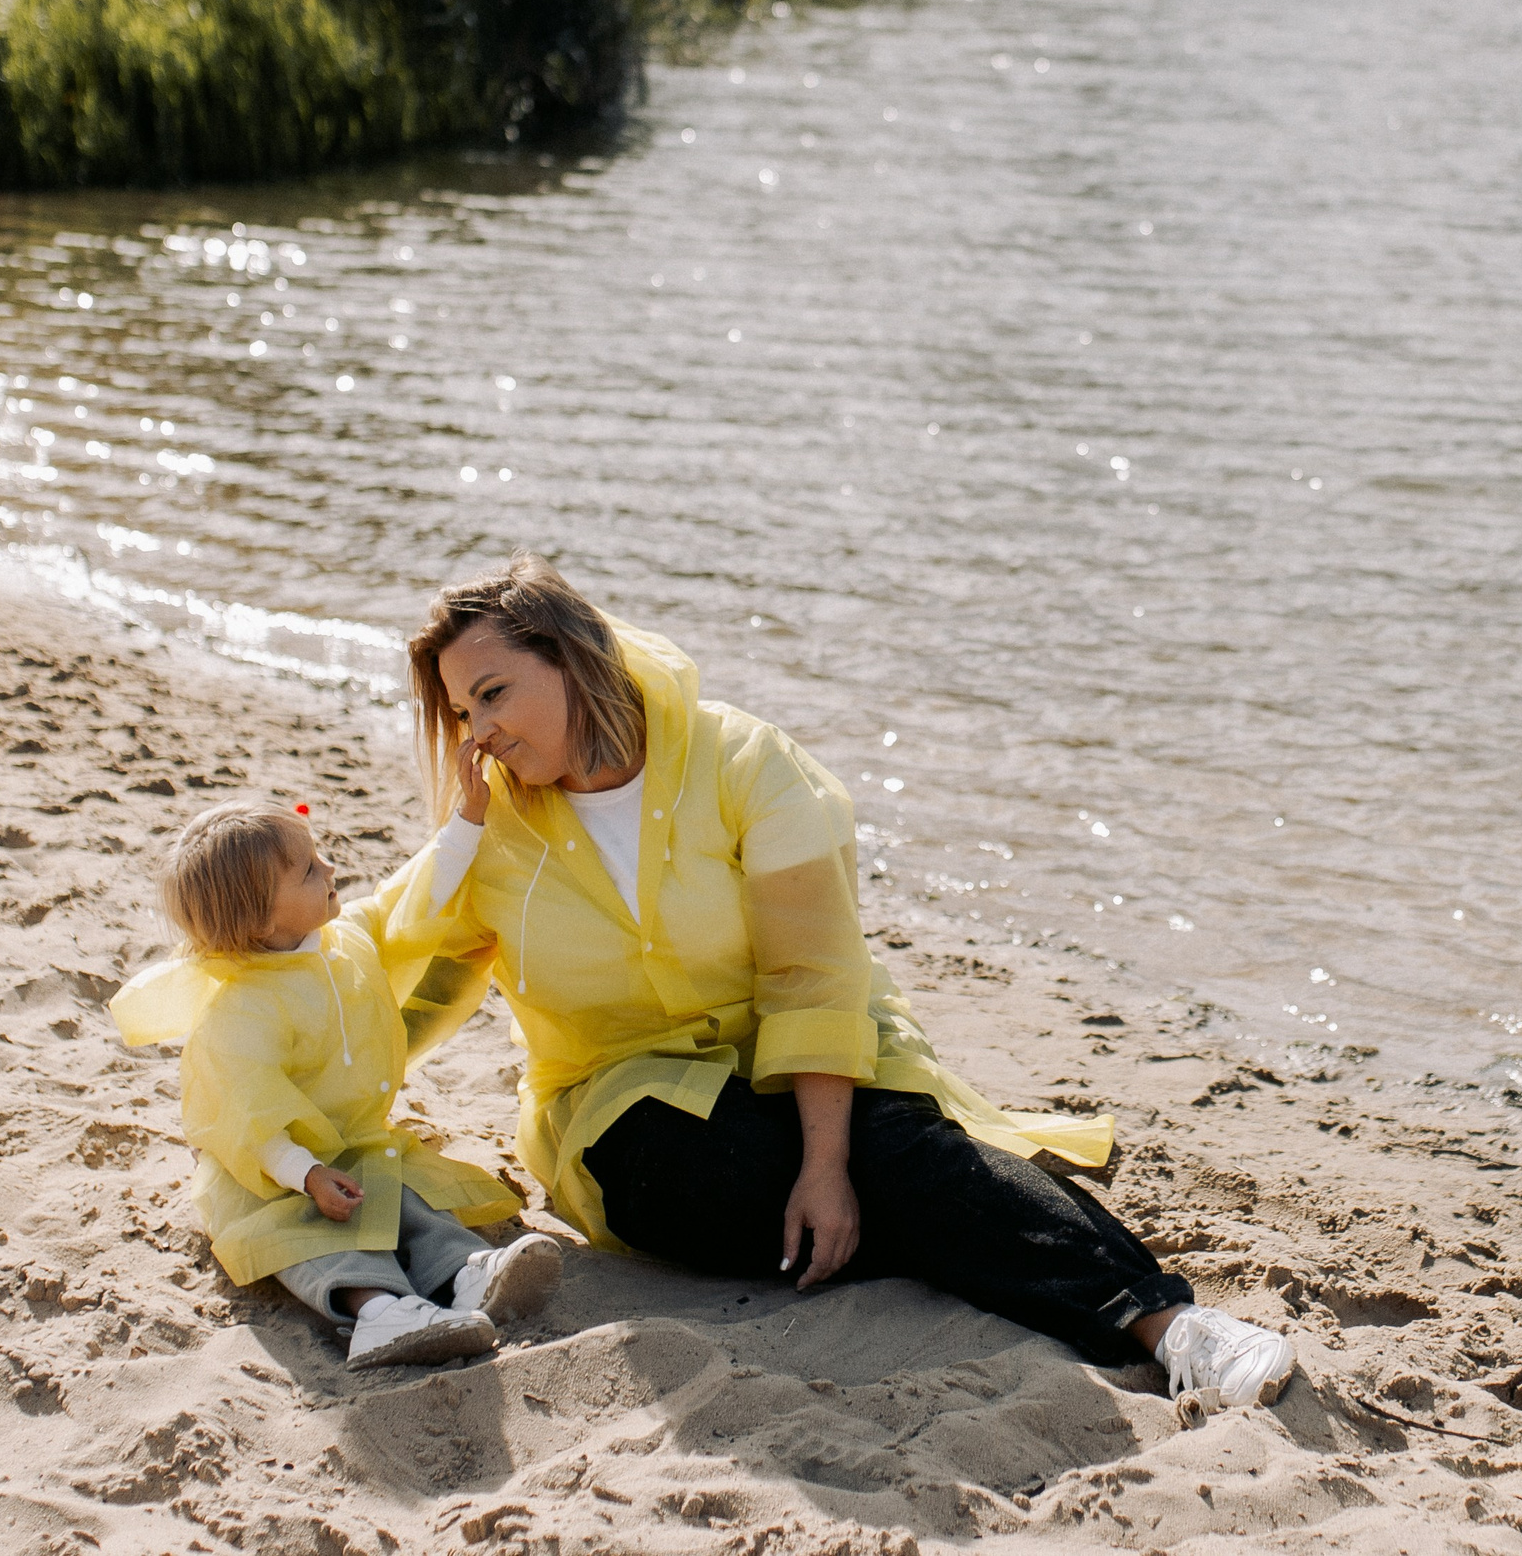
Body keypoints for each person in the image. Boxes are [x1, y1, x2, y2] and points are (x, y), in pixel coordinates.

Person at [382, 553, 1294, 1408]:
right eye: (464, 714)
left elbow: (811, 975)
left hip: (815, 1061)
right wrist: (283, 1088)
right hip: (633, 1114)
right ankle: (952, 1228)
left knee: (886, 1150)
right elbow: (394, 963)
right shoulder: (490, 830)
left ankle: (1177, 1327)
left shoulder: (744, 763)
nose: (481, 733)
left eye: (493, 694)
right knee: (712, 1169)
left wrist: (827, 1166)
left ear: (574, 658)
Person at [109, 800, 563, 1370]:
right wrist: (307, 1173)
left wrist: (467, 821)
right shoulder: (241, 1008)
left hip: (353, 1145)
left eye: (318, 855)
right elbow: (248, 1114)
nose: (328, 868)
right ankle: (379, 1313)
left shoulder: (346, 939)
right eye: (306, 870)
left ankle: (465, 1276)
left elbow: (410, 900)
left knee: (406, 1201)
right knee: (314, 1235)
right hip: (272, 1173)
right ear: (259, 921)